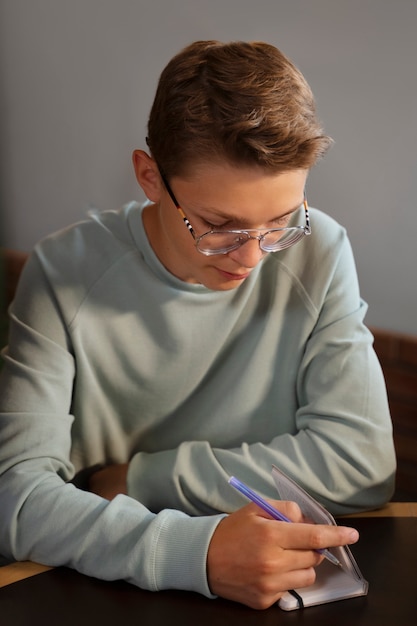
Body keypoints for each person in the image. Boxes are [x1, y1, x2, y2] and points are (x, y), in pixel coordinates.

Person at [0, 40, 395, 610]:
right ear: (149, 177)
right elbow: (14, 498)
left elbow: (363, 462)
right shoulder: (64, 271)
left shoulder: (322, 250)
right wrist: (195, 552)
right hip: (99, 597)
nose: (254, 258)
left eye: (283, 221)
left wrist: (139, 481)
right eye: (219, 227)